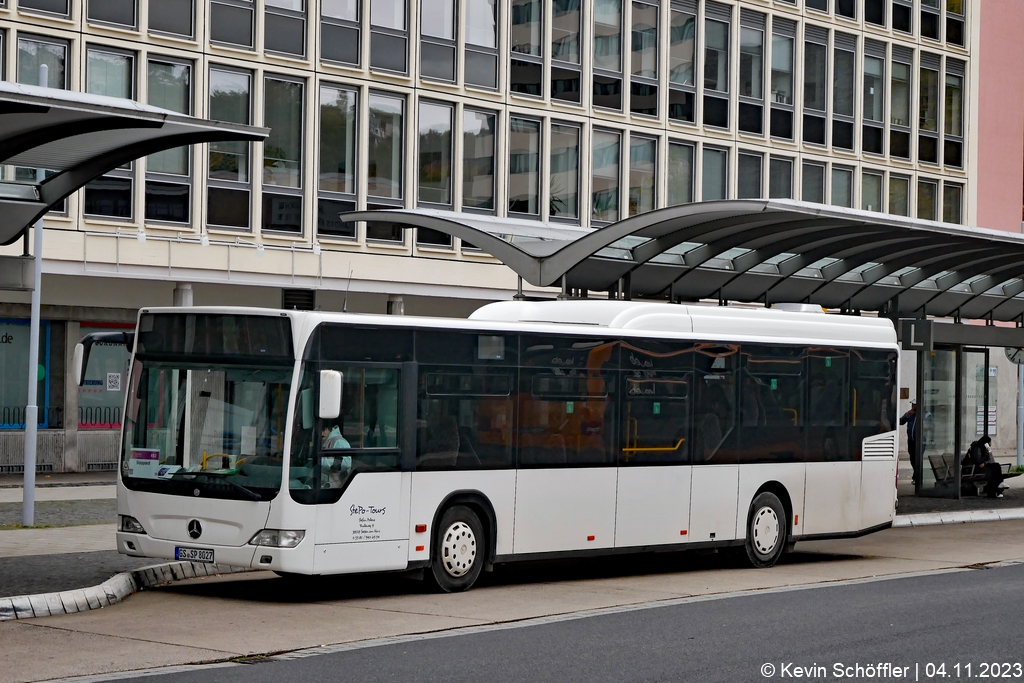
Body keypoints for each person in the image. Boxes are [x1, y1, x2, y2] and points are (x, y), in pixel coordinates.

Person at [899, 400, 918, 486]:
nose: (913, 407)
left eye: (915, 405)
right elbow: (900, 421)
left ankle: (916, 477)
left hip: (921, 441)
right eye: (912, 405)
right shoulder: (910, 414)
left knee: (918, 459)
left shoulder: (925, 414)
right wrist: (907, 415)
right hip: (911, 440)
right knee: (913, 458)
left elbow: (931, 425)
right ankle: (916, 475)